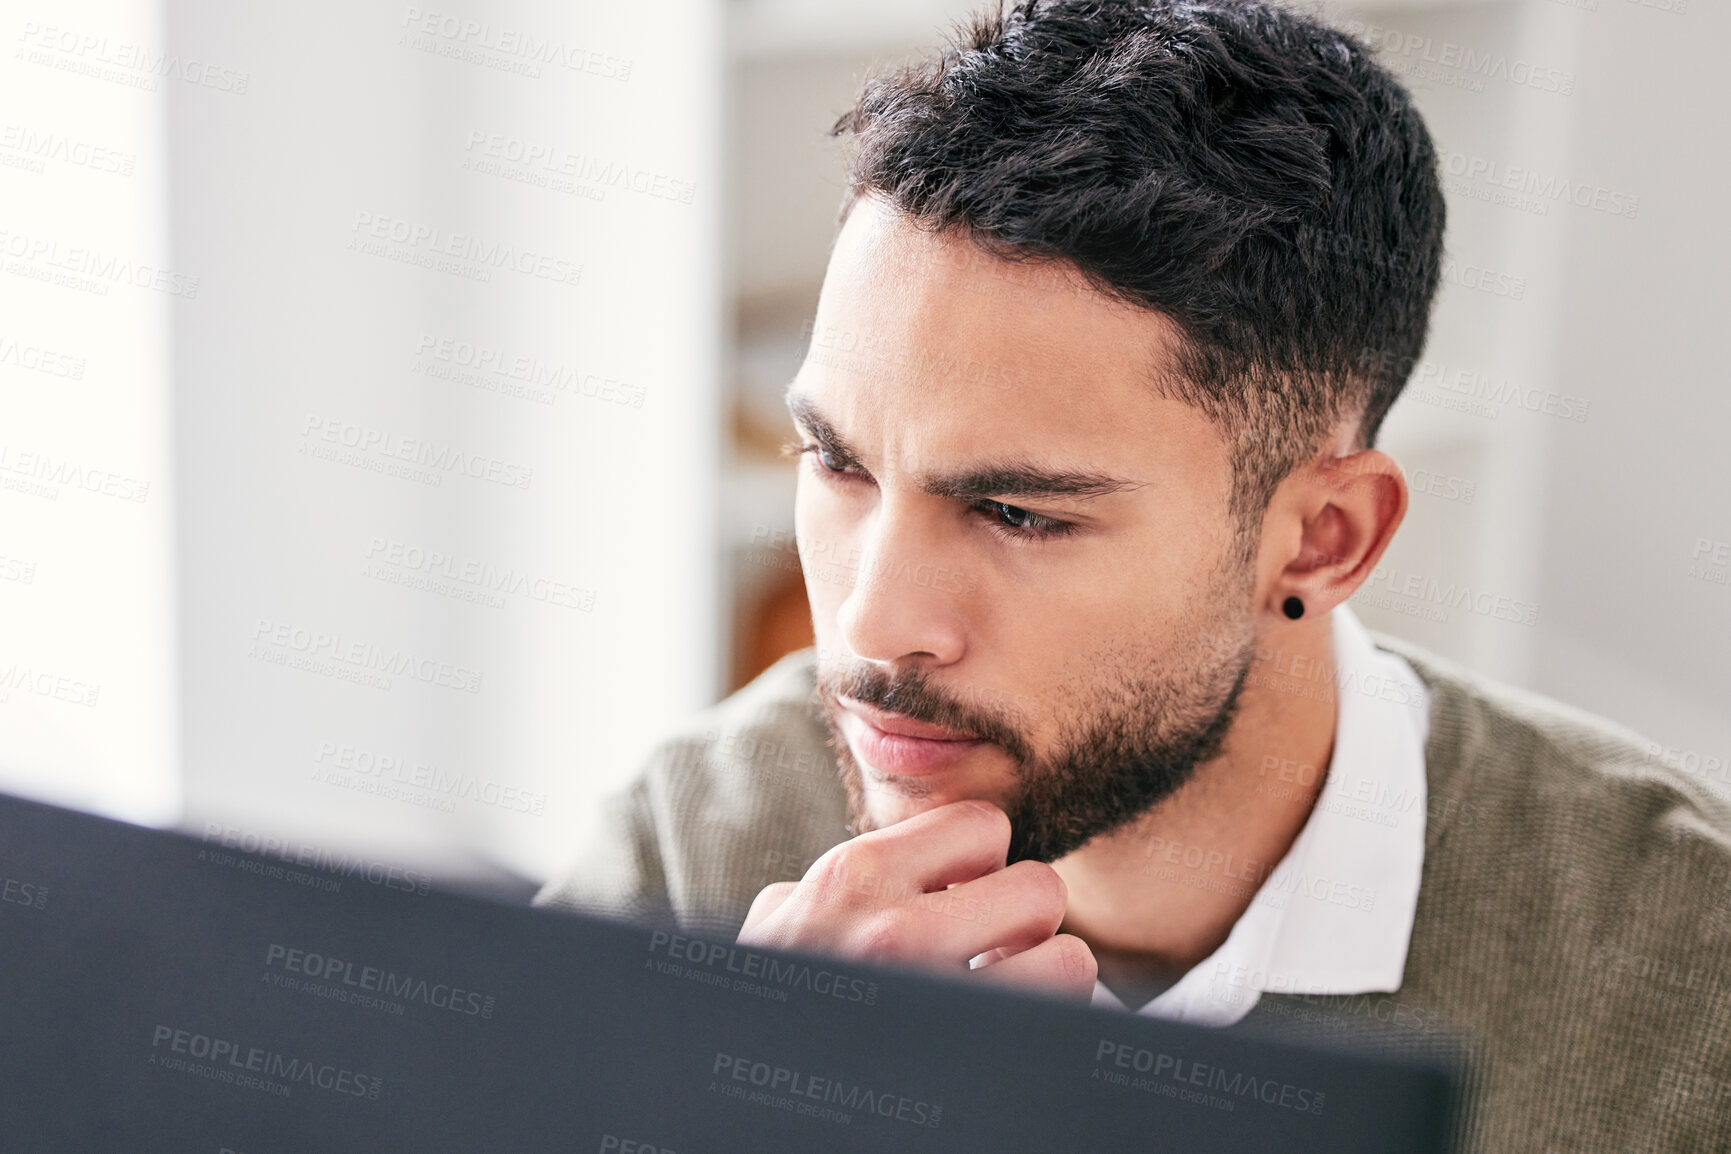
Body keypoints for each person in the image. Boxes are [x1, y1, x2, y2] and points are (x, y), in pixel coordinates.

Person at [536, 1, 1731, 1148]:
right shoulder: (689, 853)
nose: (870, 622)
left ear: (1324, 538)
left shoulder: (1686, 967)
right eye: (837, 462)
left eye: (1016, 511)